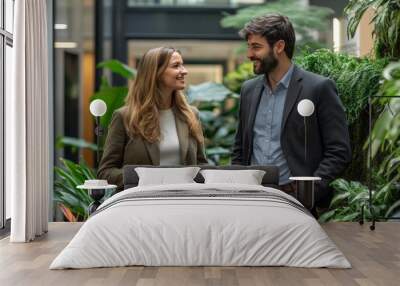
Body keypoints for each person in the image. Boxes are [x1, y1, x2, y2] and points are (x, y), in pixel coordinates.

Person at [231, 14, 351, 209]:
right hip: (252, 199)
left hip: (297, 202)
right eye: (249, 46)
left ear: (279, 47)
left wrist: (310, 191)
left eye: (256, 47)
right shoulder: (248, 90)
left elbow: (339, 150)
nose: (249, 54)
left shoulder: (318, 88)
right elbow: (240, 148)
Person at [98, 47, 208, 190]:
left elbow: (202, 165)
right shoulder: (125, 117)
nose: (184, 71)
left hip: (183, 202)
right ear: (156, 72)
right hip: (141, 204)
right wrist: (147, 178)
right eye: (176, 66)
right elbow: (106, 172)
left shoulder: (191, 115)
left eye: (182, 64)